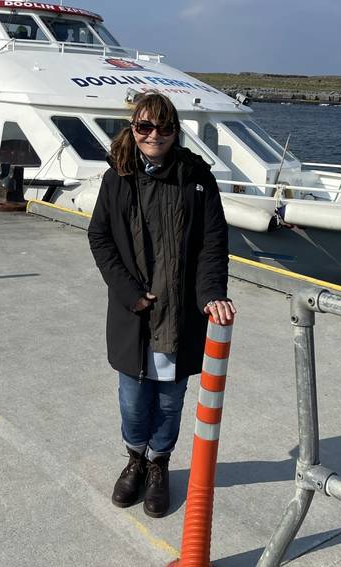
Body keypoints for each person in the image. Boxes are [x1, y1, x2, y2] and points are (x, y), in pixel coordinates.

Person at [87, 91, 235, 518]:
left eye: (164, 127)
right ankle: (135, 458)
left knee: (170, 400)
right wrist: (128, 290)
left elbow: (212, 244)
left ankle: (158, 464)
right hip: (134, 311)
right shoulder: (118, 176)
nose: (154, 135)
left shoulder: (197, 176)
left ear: (175, 130)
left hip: (180, 314)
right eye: (144, 127)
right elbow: (100, 237)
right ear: (133, 129)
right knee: (133, 399)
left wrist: (211, 296)